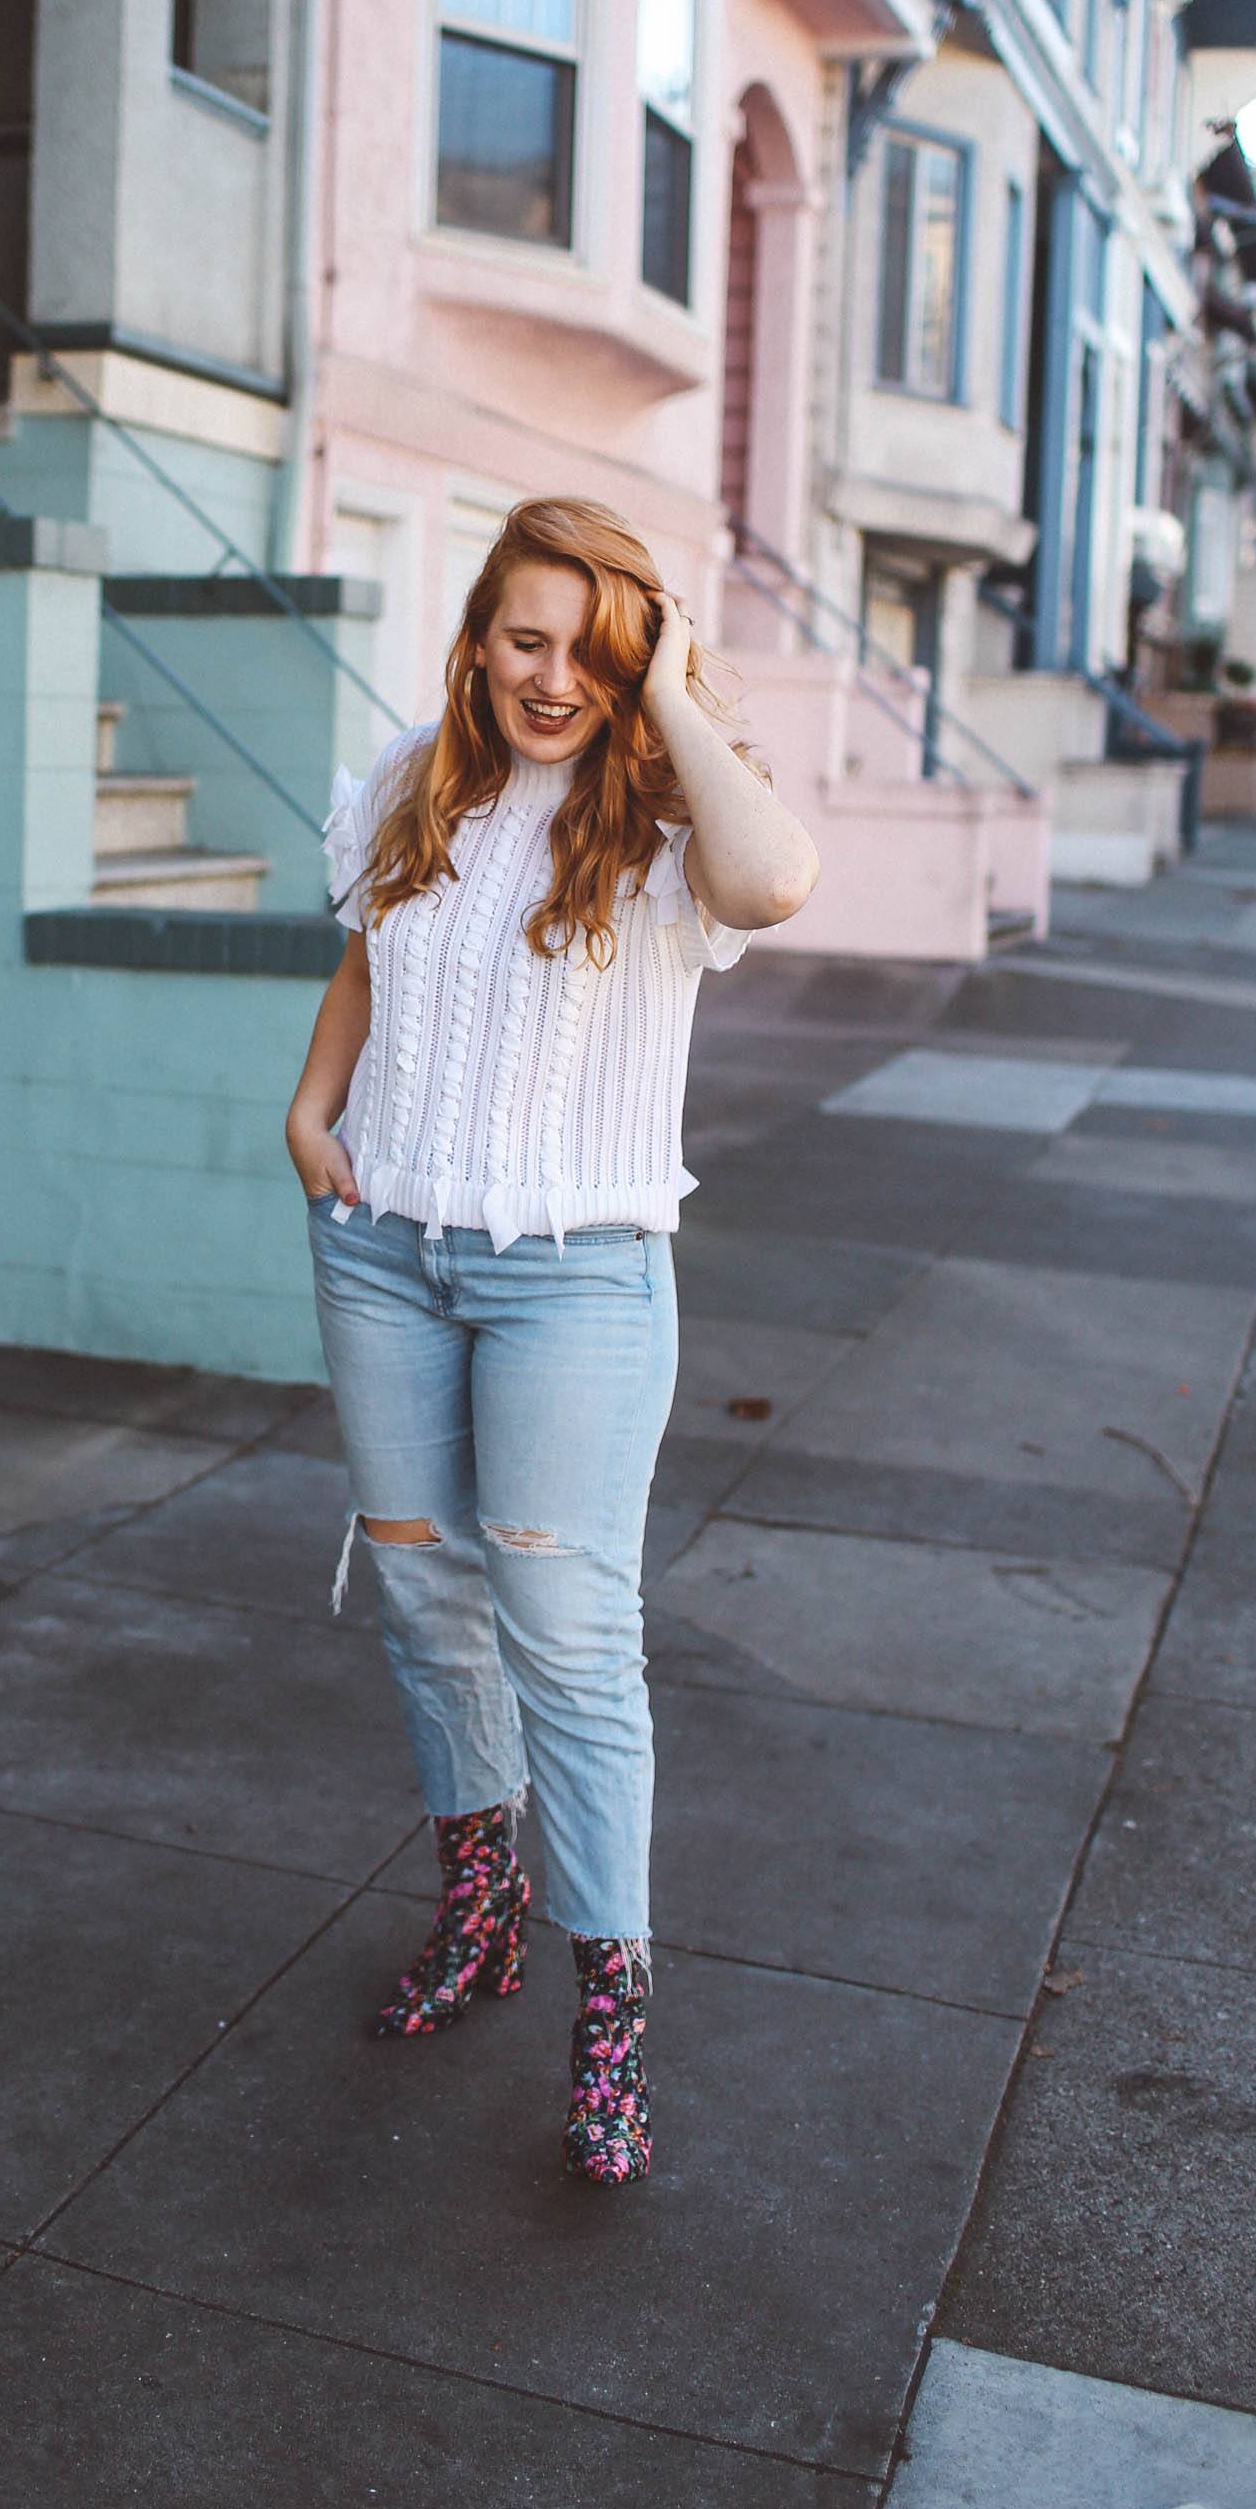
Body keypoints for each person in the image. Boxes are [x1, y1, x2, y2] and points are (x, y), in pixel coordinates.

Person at [284, 496, 819, 2186]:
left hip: (578, 1277)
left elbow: (778, 880)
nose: (553, 676)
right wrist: (310, 1113)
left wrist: (659, 692)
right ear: (477, 638)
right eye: (528, 638)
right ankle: (480, 1921)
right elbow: (376, 961)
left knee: (570, 1638)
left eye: (592, 646)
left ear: (635, 657)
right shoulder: (403, 783)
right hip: (382, 1250)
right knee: (429, 1600)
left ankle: (610, 2015)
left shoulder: (664, 814)